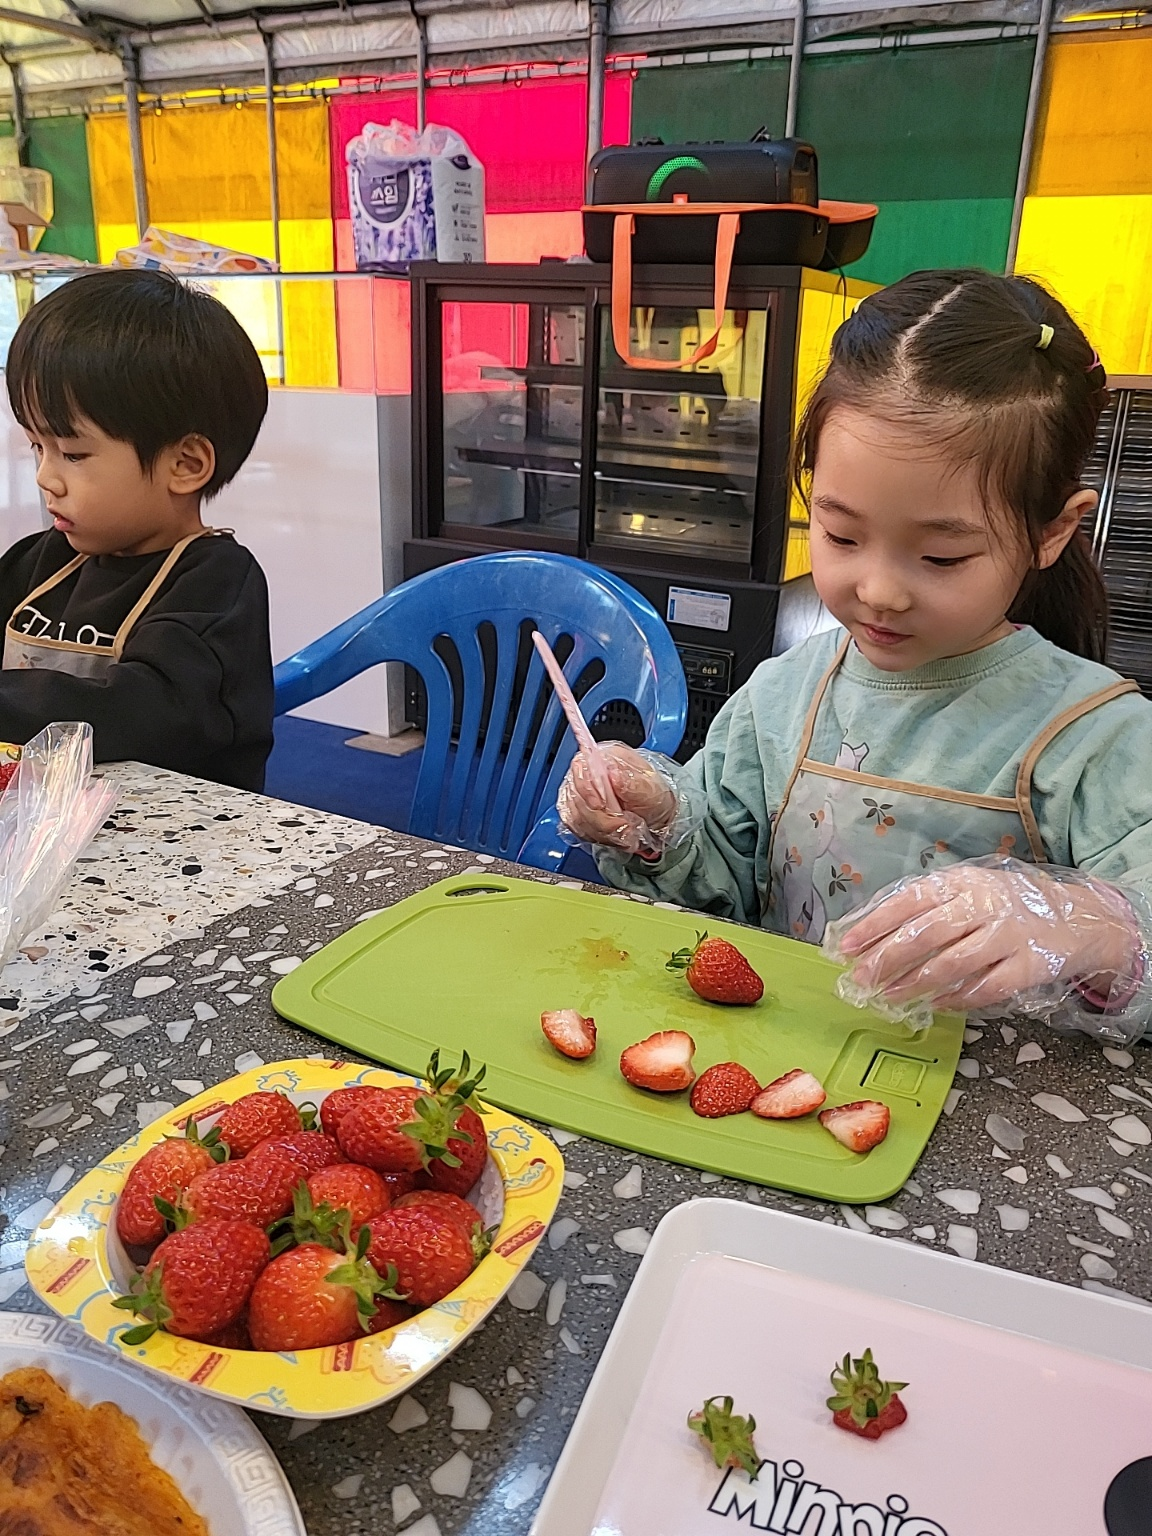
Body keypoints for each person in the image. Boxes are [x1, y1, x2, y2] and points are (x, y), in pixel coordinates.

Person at [558, 269, 1152, 1034]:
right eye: (841, 536)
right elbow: (722, 892)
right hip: (797, 1076)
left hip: (990, 1113)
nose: (879, 590)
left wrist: (1093, 925)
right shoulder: (785, 696)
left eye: (941, 558)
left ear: (1052, 532)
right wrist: (660, 821)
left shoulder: (1096, 737)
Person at [0, 267, 273, 791]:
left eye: (73, 454)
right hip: (49, 828)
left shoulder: (216, 583)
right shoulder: (39, 563)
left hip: (183, 845)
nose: (44, 477)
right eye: (38, 447)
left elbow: (145, 716)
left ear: (185, 464)